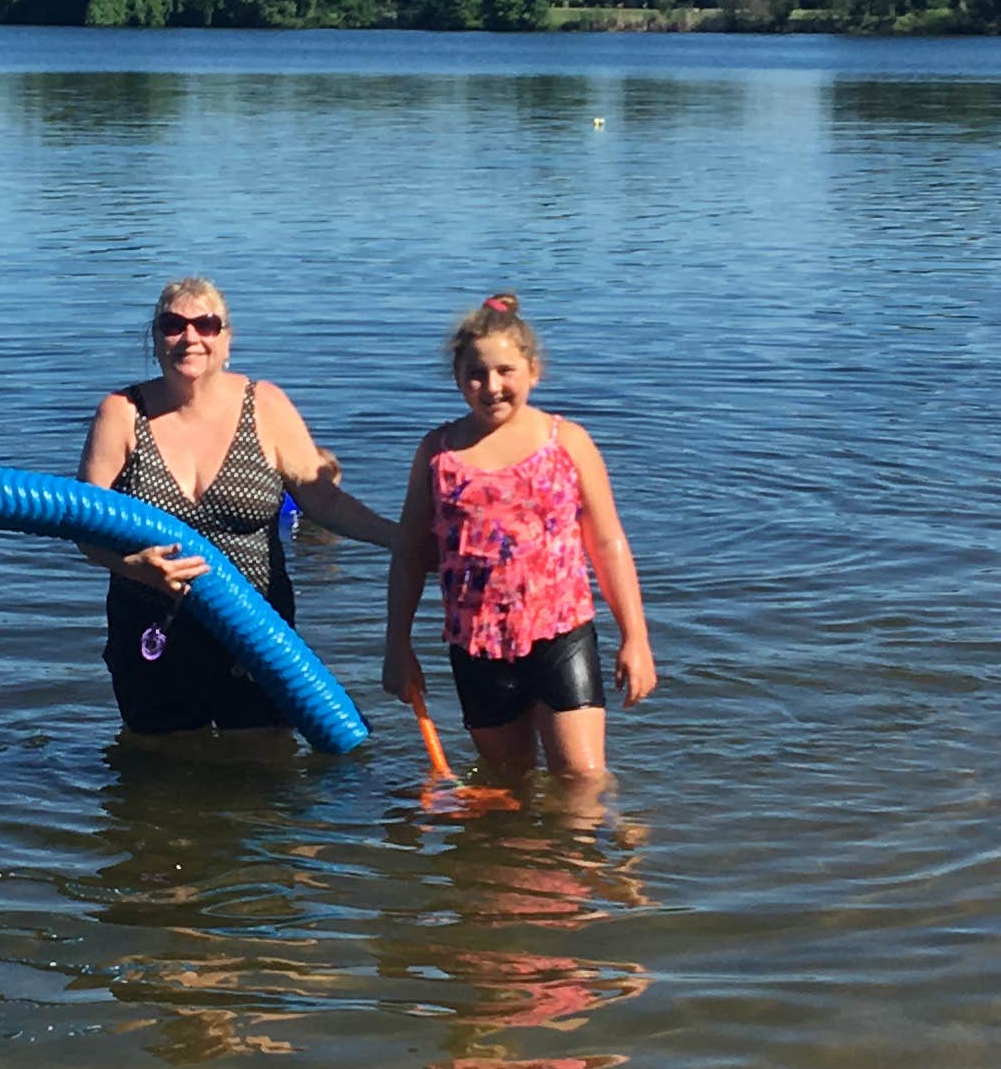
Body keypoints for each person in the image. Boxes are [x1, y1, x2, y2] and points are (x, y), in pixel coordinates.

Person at [78, 275, 398, 738]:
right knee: (161, 774)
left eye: (206, 324)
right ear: (155, 337)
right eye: (173, 324)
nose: (190, 337)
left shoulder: (264, 405)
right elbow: (83, 524)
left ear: (227, 339)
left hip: (256, 628)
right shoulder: (122, 412)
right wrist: (135, 566)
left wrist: (400, 538)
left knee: (266, 770)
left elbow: (322, 498)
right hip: (152, 624)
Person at [382, 292, 654, 781]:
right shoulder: (438, 453)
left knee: (583, 779)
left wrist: (635, 639)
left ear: (533, 370)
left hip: (560, 633)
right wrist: (397, 645)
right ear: (458, 378)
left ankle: (603, 851)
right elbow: (409, 554)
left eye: (506, 371)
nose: (492, 387)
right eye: (476, 374)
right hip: (476, 646)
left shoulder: (566, 442)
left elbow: (608, 543)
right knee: (508, 785)